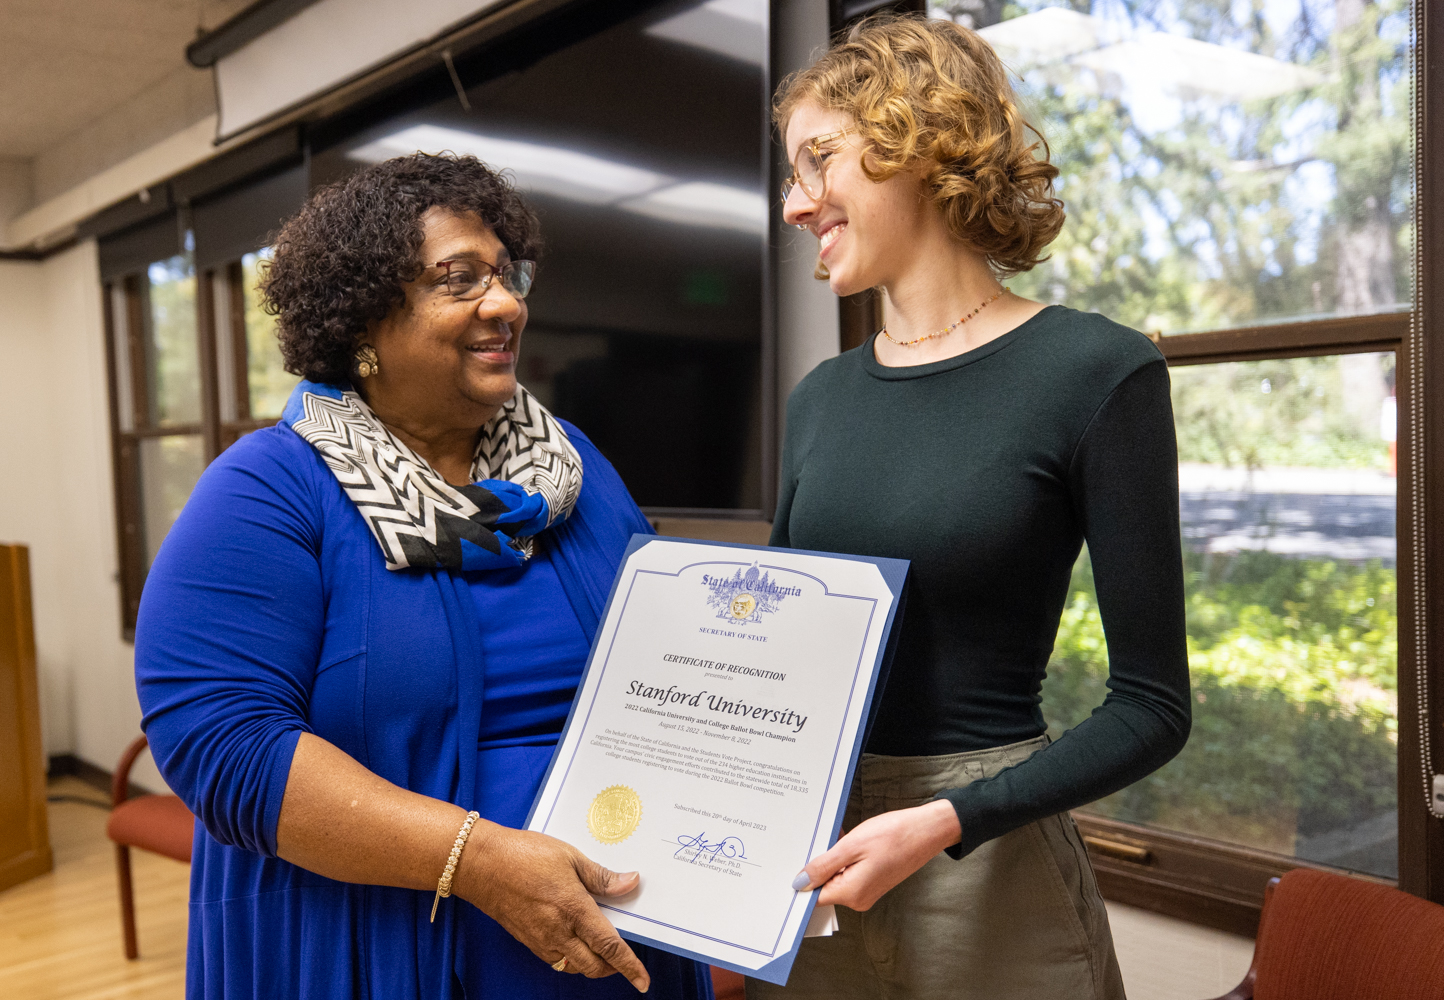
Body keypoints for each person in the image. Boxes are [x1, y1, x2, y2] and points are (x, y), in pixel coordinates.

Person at [134, 153, 713, 1000]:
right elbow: (223, 743)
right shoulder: (269, 490)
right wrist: (477, 861)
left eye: (508, 274)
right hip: (383, 949)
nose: (508, 302)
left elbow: (664, 661)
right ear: (363, 322)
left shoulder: (573, 469)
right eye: (460, 278)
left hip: (620, 943)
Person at [760, 15, 1191, 1000]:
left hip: (986, 857)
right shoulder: (821, 398)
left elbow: (1153, 709)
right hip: (820, 860)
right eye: (790, 175)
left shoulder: (1096, 369)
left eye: (815, 160)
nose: (794, 205)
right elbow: (778, 659)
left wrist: (946, 819)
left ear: (920, 138)